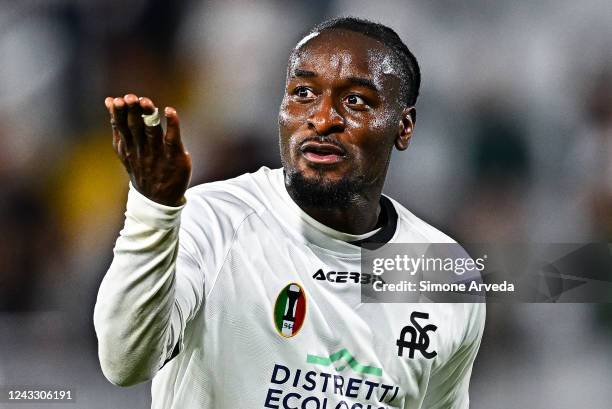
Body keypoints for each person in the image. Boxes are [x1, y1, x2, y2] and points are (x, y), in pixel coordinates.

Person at [94, 17, 485, 409]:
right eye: (303, 92)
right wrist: (156, 210)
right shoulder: (214, 221)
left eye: (355, 101)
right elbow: (124, 363)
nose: (322, 118)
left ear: (404, 126)